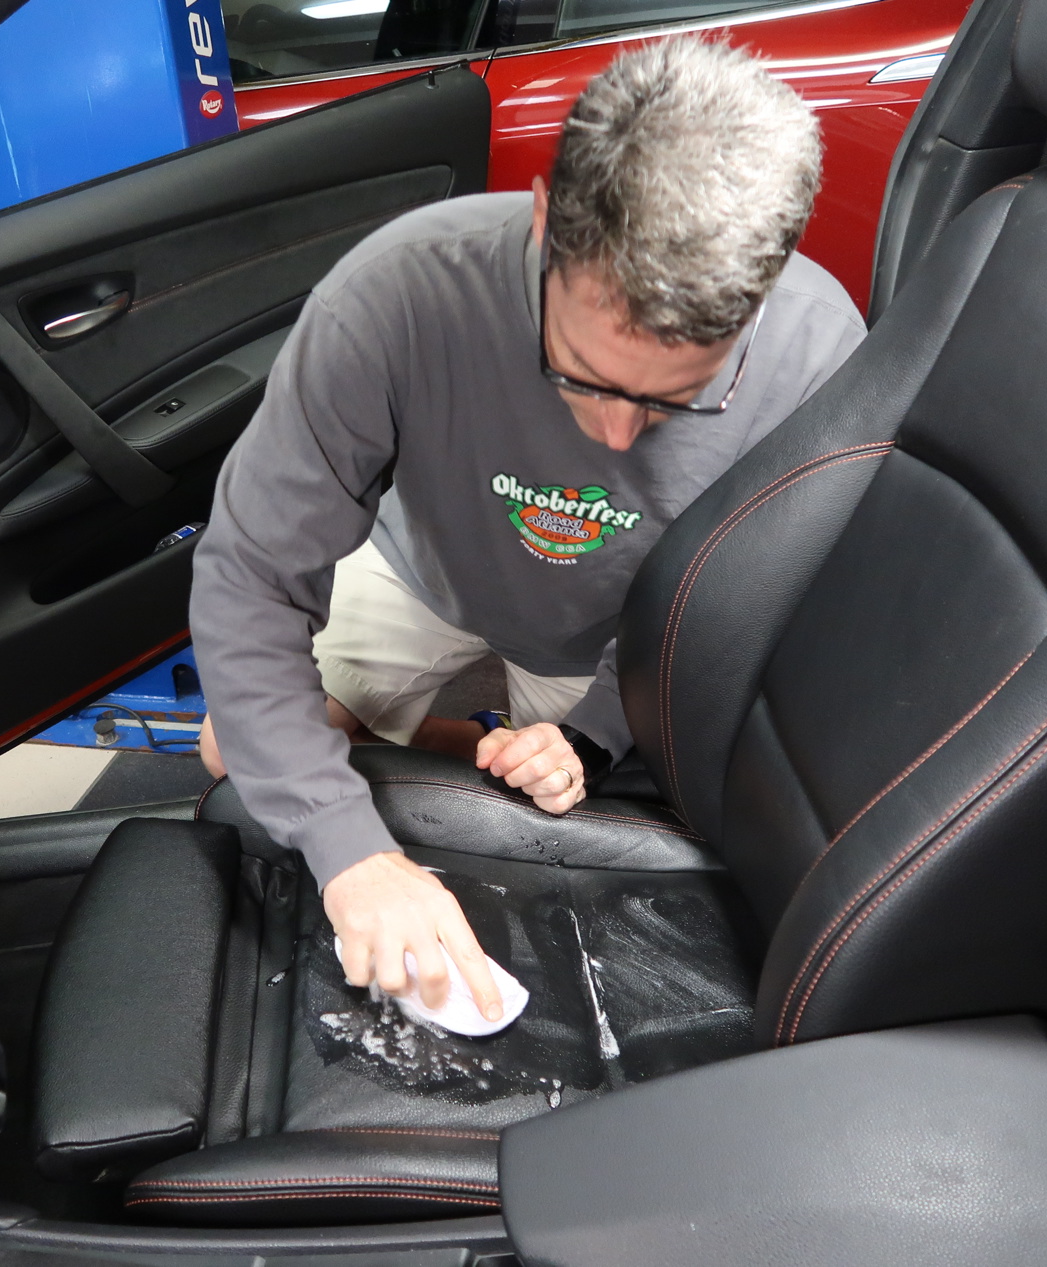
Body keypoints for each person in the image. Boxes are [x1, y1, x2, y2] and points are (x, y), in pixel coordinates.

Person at [190, 37, 866, 1022]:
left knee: (561, 805)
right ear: (546, 222)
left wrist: (591, 733)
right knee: (235, 746)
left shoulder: (819, 356)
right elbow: (250, 576)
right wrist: (351, 853)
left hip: (624, 632)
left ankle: (477, 743)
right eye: (581, 375)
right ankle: (442, 738)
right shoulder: (399, 293)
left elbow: (740, 599)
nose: (616, 434)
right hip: (427, 569)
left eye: (676, 399)